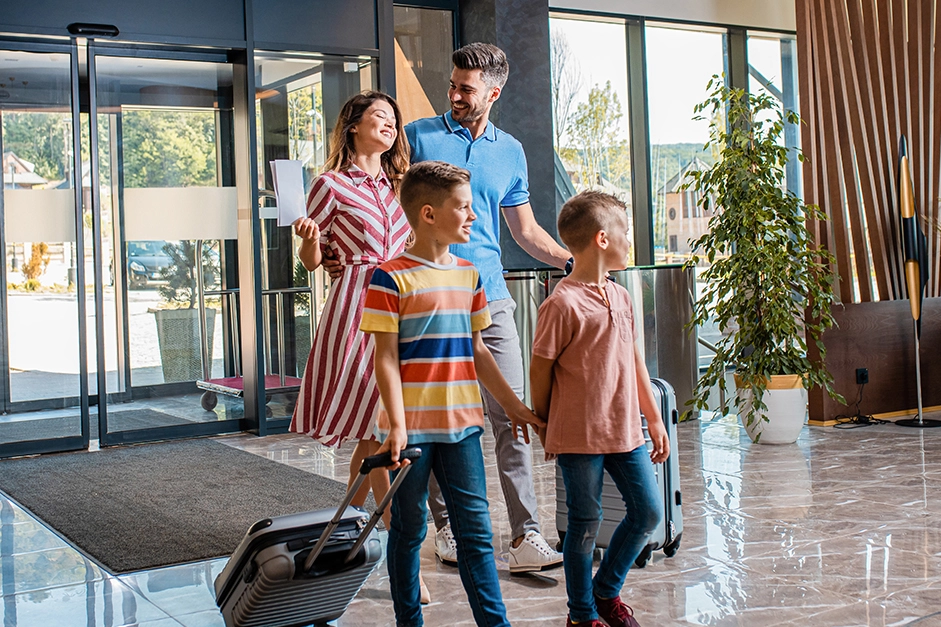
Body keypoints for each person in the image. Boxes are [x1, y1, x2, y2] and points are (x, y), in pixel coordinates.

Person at [403, 41, 570, 572]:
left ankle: (526, 534)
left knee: (514, 414)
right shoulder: (419, 137)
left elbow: (524, 230)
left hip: (491, 298)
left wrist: (574, 261)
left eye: (465, 88)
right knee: (438, 416)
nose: (453, 94)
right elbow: (392, 211)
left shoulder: (510, 151)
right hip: (430, 296)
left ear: (493, 92)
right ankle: (447, 525)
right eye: (451, 84)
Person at [361, 161, 545, 627]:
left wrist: (513, 404)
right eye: (462, 207)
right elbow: (385, 357)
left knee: (477, 534)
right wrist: (397, 426)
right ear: (427, 213)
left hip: (463, 428)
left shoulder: (469, 275)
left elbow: (479, 351)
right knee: (408, 532)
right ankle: (410, 622)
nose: (473, 217)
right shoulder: (389, 277)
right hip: (410, 435)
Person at [289, 91, 428, 598]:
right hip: (356, 305)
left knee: (375, 437)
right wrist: (307, 236)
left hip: (401, 302)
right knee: (384, 430)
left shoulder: (399, 185)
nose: (389, 125)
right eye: (378, 117)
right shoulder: (329, 185)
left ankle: (347, 542)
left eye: (393, 119)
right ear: (352, 126)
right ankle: (398, 558)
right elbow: (311, 259)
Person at [529, 191, 669, 627]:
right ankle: (581, 614)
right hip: (579, 435)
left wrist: (654, 417)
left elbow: (636, 362)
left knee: (648, 511)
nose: (630, 240)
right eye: (625, 232)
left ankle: (605, 592)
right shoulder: (561, 304)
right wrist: (547, 424)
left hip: (626, 430)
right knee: (585, 523)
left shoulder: (622, 296)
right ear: (603, 239)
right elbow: (540, 372)